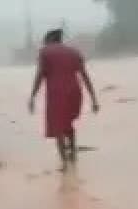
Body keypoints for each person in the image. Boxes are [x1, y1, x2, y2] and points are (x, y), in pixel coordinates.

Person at [28, 28, 100, 169]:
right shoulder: (74, 52)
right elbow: (85, 76)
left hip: (56, 94)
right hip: (75, 92)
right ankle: (73, 155)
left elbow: (40, 75)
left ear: (49, 40)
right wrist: (94, 98)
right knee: (67, 124)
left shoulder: (45, 52)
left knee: (57, 128)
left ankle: (64, 163)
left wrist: (32, 96)